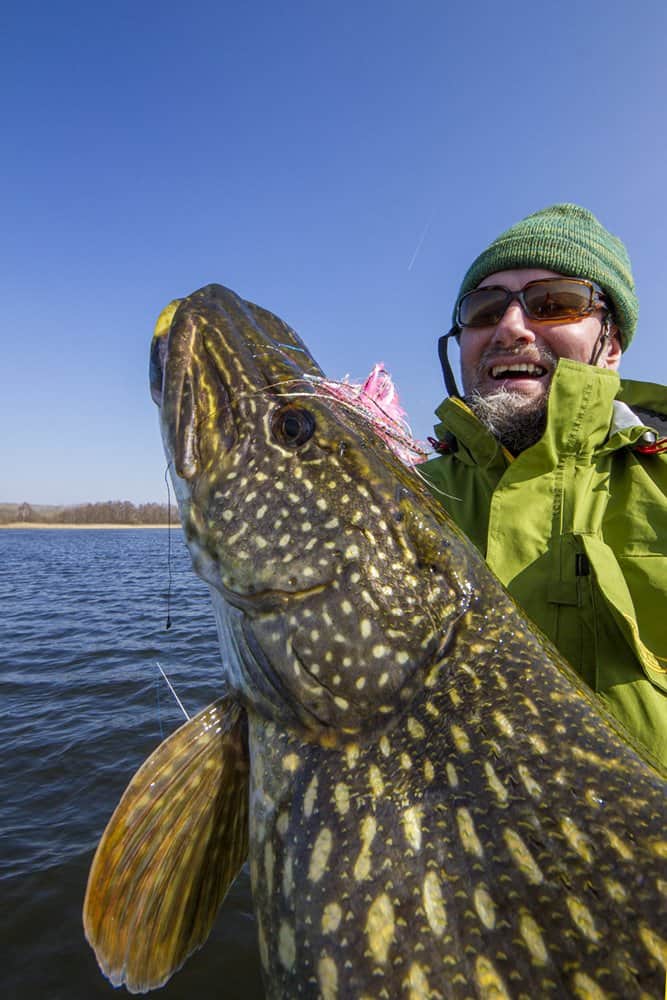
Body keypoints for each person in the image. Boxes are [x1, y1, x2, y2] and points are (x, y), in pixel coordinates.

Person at [421, 204, 667, 769]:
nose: (509, 327)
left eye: (554, 302)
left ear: (610, 343)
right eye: (483, 310)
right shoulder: (407, 501)